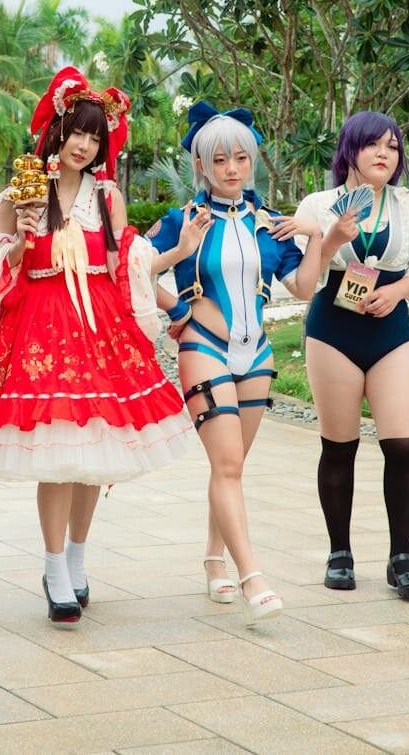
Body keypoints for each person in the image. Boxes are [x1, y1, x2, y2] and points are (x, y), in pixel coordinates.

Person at [0, 66, 190, 625]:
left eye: (95, 137)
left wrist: (178, 256)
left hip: (98, 329)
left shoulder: (106, 196)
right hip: (42, 324)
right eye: (76, 133)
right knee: (59, 455)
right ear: (56, 132)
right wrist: (24, 237)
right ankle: (54, 564)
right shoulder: (20, 193)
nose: (84, 145)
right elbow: (0, 268)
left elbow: (125, 266)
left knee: (95, 454)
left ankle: (79, 557)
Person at [147, 102, 323, 625]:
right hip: (202, 346)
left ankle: (212, 557)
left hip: (258, 354)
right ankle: (253, 577)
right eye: (220, 159)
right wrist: (177, 304)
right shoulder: (182, 220)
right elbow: (135, 266)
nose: (231, 168)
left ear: (253, 162)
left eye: (241, 158)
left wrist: (320, 237)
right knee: (226, 464)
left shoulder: (272, 225)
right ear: (200, 164)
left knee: (232, 467)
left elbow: (304, 286)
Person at [293, 111, 409, 598]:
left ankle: (402, 559)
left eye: (393, 146)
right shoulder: (318, 205)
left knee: (403, 444)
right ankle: (340, 553)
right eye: (374, 145)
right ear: (350, 150)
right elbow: (304, 279)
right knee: (339, 445)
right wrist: (333, 237)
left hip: (389, 328)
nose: (385, 154)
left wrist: (397, 292)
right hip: (332, 329)